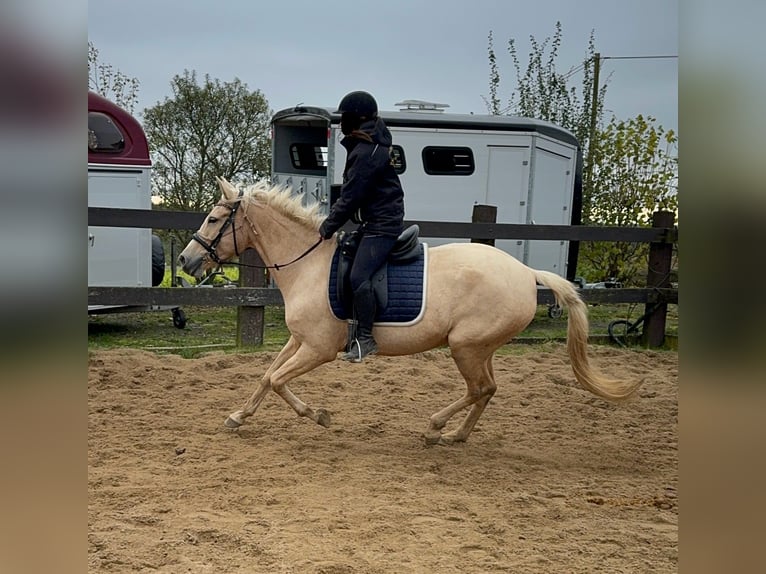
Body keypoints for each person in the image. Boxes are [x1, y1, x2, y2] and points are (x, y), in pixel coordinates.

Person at [318, 91, 405, 362]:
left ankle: (366, 338)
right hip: (373, 222)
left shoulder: (368, 152)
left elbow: (351, 195)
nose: (341, 122)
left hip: (383, 225)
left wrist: (326, 228)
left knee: (358, 277)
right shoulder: (367, 145)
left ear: (357, 119)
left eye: (345, 118)